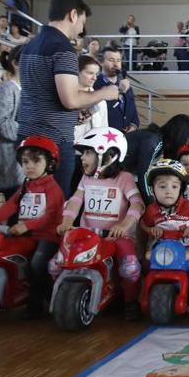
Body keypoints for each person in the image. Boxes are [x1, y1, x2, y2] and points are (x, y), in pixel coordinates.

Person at [16, 0, 119, 197]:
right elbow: (70, 99)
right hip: (52, 139)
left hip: (25, 136)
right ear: (72, 15)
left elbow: (44, 93)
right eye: (82, 21)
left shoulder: (30, 46)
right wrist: (104, 93)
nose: (82, 29)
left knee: (27, 203)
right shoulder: (62, 48)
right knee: (54, 207)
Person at [56, 128, 144, 320]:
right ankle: (62, 296)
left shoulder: (124, 178)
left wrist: (124, 225)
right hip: (88, 234)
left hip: (116, 237)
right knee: (55, 264)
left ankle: (130, 302)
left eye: (88, 152)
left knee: (130, 268)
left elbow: (138, 204)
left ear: (108, 155)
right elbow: (75, 200)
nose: (82, 157)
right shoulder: (86, 178)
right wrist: (67, 221)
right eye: (83, 153)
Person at [0, 136, 65, 318]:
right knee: (6, 255)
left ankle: (37, 305)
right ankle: (8, 293)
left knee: (36, 265)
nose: (30, 166)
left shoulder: (52, 188)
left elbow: (50, 216)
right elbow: (9, 206)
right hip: (26, 235)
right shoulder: (25, 187)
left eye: (36, 161)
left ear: (50, 164)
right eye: (25, 162)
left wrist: (26, 225)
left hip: (47, 236)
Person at [139, 159, 189, 303]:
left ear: (181, 188)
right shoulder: (151, 210)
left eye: (174, 186)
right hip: (164, 252)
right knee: (145, 267)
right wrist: (151, 229)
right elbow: (143, 224)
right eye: (162, 186)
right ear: (152, 189)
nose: (168, 191)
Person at [124, 114, 189, 205]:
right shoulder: (153, 141)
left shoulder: (161, 143)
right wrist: (152, 203)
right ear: (180, 135)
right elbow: (143, 174)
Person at [0, 46, 24, 200]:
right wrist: (29, 130)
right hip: (9, 160)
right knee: (14, 211)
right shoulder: (6, 89)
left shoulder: (24, 90)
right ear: (16, 63)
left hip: (20, 161)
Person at [94, 47, 139, 133]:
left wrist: (134, 125)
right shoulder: (95, 84)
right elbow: (99, 112)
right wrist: (120, 92)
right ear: (101, 62)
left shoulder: (125, 84)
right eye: (111, 60)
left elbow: (133, 111)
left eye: (118, 60)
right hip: (105, 136)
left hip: (127, 137)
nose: (116, 64)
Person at [73, 55, 109, 144]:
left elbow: (104, 129)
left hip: (93, 151)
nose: (94, 78)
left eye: (96, 74)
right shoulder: (65, 99)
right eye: (90, 73)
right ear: (77, 72)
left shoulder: (101, 101)